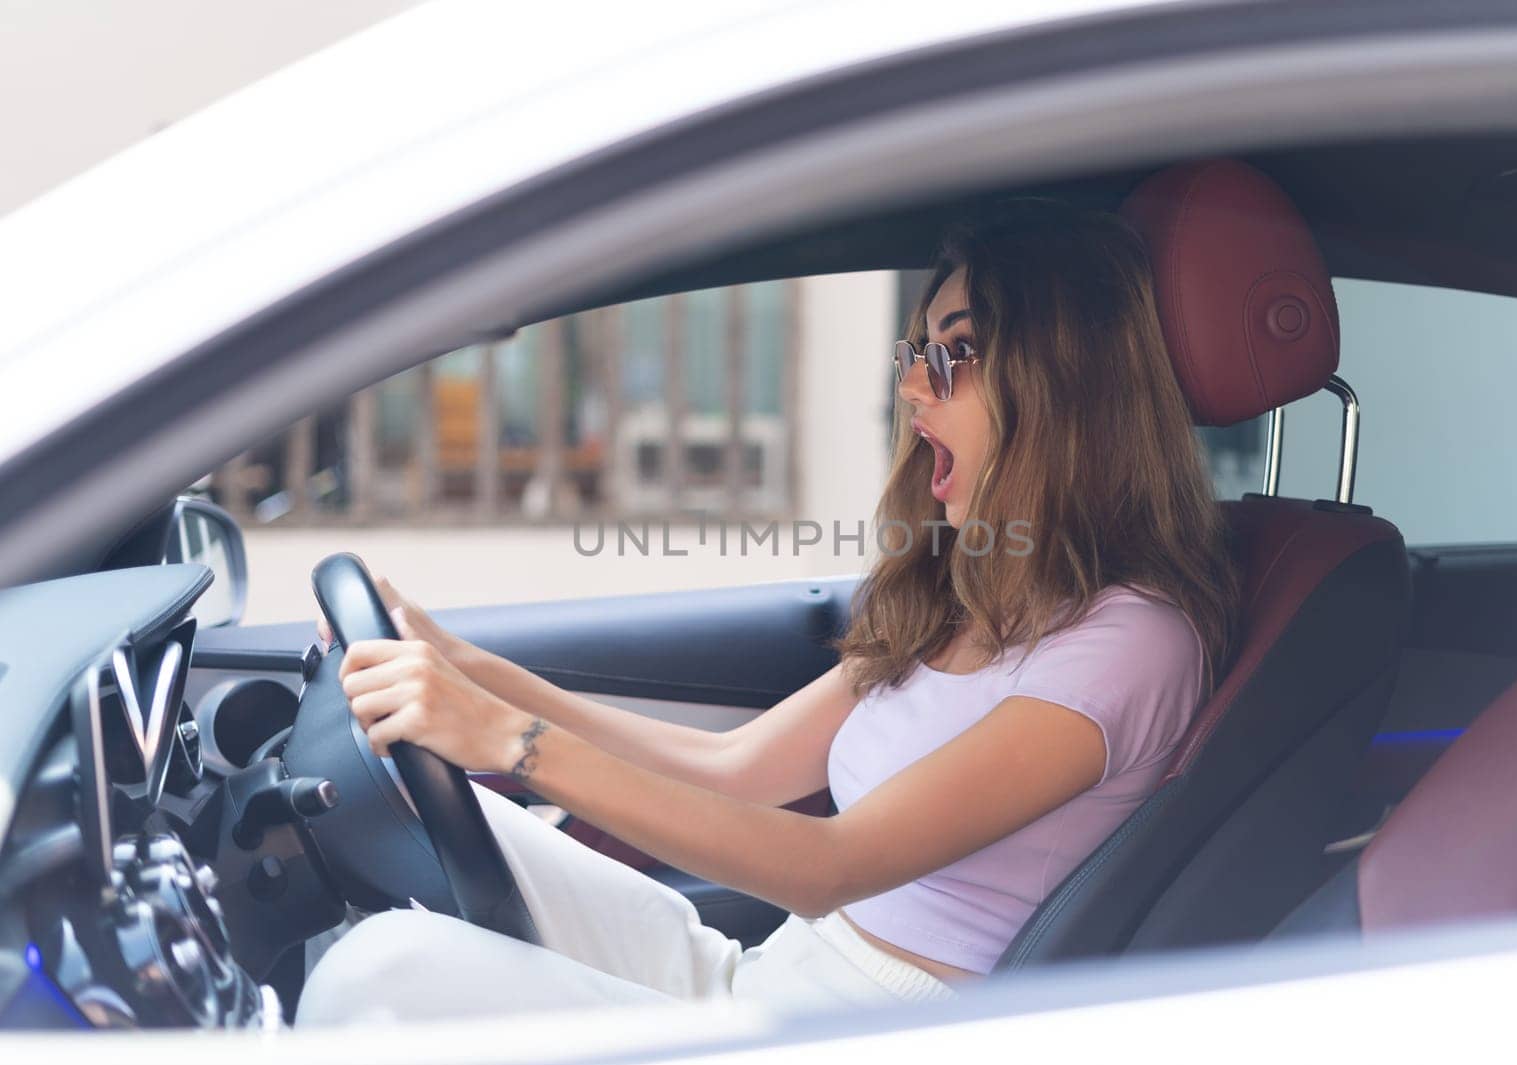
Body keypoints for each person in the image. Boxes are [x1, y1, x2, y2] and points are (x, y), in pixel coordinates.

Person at [297, 202, 1238, 1023]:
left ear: (1064, 386)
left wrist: (510, 739)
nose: (912, 387)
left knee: (378, 977)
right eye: (920, 353)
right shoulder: (973, 585)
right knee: (389, 827)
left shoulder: (1133, 643)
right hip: (769, 978)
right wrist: (467, 667)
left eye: (958, 354)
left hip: (867, 1030)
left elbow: (829, 863)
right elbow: (734, 767)